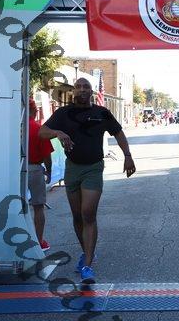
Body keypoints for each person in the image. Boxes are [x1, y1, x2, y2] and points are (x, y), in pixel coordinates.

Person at [39, 78, 136, 284]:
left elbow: (118, 133)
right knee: (77, 216)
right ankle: (87, 253)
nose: (82, 90)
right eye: (78, 87)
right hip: (72, 168)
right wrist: (57, 132)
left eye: (86, 87)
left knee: (88, 213)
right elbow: (41, 132)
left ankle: (87, 265)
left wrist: (128, 156)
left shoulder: (102, 113)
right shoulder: (64, 113)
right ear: (73, 91)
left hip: (93, 168)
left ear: (91, 91)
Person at [28, 98, 54, 251]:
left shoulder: (13, 128)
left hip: (15, 170)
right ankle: (38, 241)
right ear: (35, 110)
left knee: (16, 205)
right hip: (34, 169)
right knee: (38, 207)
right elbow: (47, 156)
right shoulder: (39, 129)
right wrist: (49, 171)